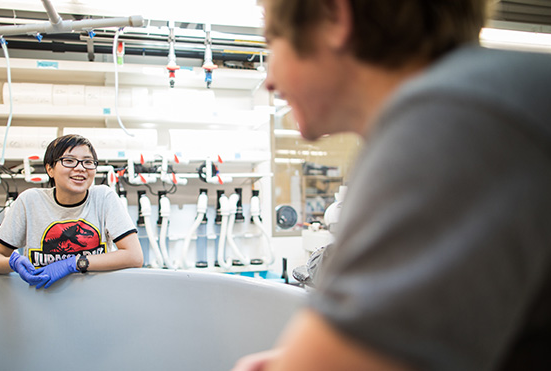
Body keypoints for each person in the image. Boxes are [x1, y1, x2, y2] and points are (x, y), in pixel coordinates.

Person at [234, 0, 551, 370]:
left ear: (334, 17)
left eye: (273, 41)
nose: (269, 80)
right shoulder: (486, 101)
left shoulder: (451, 121)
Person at [0, 134, 143, 288]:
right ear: (50, 169)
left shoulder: (103, 198)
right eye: (69, 161)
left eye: (88, 162)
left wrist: (75, 263)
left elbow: (134, 256)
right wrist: (13, 263)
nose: (80, 168)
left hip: (94, 296)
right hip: (42, 296)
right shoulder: (30, 201)